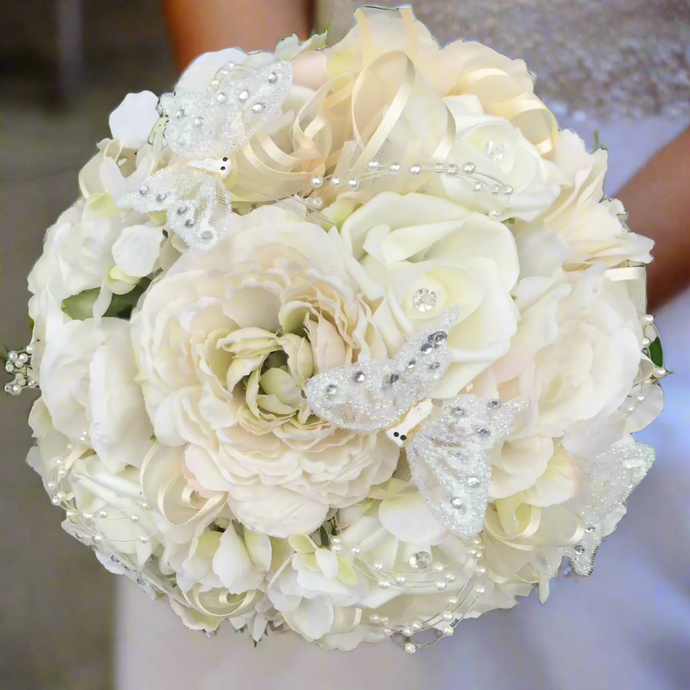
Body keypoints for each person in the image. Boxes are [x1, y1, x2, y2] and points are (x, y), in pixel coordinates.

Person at [117, 3, 690, 689]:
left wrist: (568, 302)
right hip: (328, 146)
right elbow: (242, 54)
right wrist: (267, 197)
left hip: (638, 227)